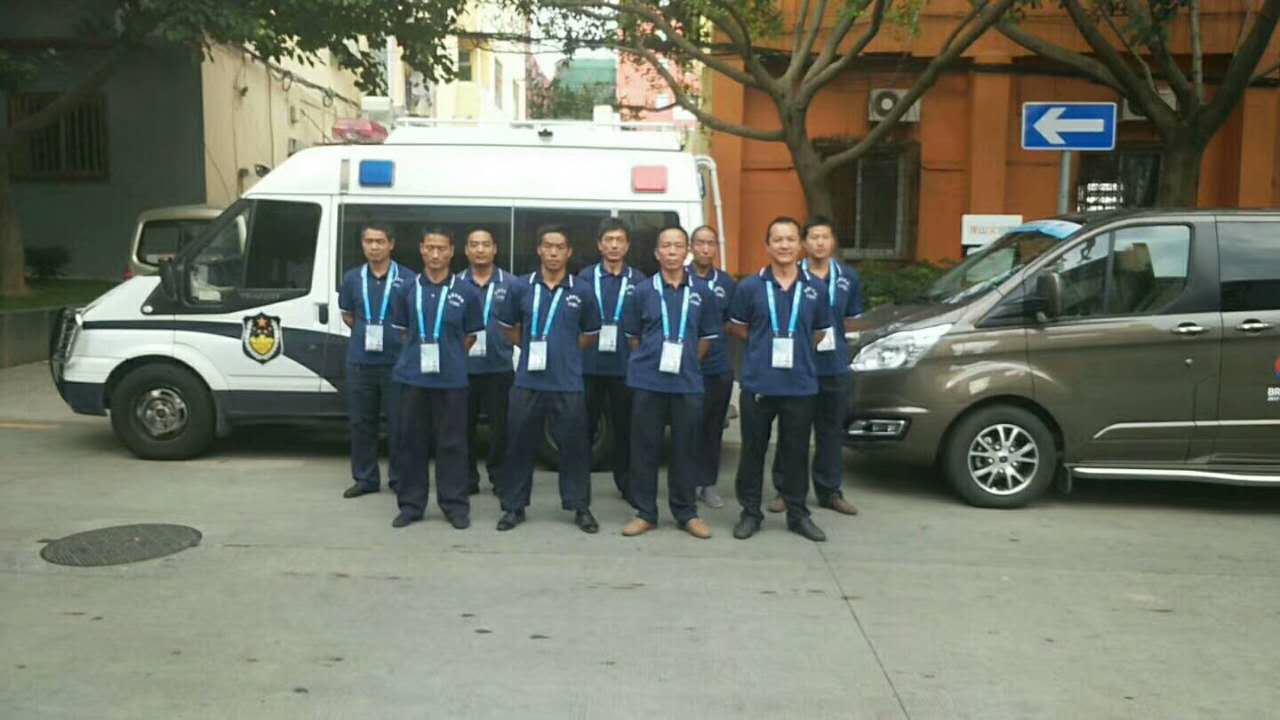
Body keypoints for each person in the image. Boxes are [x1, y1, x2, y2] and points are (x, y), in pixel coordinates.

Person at [726, 216, 833, 543]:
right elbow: (738, 328)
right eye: (777, 240)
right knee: (752, 451)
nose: (784, 245)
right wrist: (764, 347)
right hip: (759, 382)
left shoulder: (815, 288)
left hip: (800, 384)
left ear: (799, 245)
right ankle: (750, 512)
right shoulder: (750, 287)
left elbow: (819, 333)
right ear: (767, 246)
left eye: (790, 239)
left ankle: (798, 514)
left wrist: (795, 348)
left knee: (796, 452)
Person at [496, 225, 603, 534]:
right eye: (548, 246)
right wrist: (530, 346)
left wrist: (565, 350)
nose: (553, 252)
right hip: (528, 381)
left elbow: (591, 333)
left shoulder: (582, 290)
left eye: (559, 247)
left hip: (568, 382)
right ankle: (514, 506)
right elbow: (508, 327)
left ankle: (579, 506)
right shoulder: (521, 286)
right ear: (539, 250)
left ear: (568, 252)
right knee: (519, 445)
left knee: (575, 448)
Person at [620, 226, 719, 539]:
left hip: (687, 382)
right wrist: (651, 360)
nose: (672, 251)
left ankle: (686, 512)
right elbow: (633, 337)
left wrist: (686, 359)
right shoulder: (641, 291)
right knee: (644, 449)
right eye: (666, 246)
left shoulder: (702, 292)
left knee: (685, 450)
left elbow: (706, 338)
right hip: (648, 382)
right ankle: (645, 512)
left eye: (678, 245)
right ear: (656, 252)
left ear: (687, 251)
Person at [388, 227, 484, 529]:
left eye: (441, 248)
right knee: (411, 444)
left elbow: (470, 336)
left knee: (453, 445)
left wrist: (449, 355)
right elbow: (403, 332)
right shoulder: (406, 289)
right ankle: (411, 505)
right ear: (421, 249)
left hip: (452, 381)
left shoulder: (466, 291)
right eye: (430, 247)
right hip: (413, 379)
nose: (435, 254)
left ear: (451, 251)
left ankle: (454, 506)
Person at [769, 216, 864, 516]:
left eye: (825, 237)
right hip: (799, 367)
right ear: (804, 243)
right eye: (813, 237)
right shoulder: (792, 277)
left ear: (833, 241)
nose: (820, 243)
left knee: (830, 432)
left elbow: (851, 320)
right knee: (791, 432)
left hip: (834, 367)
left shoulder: (848, 277)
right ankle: (786, 491)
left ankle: (829, 490)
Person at [337, 224, 410, 499]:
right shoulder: (352, 278)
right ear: (362, 244)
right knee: (361, 423)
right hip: (360, 362)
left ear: (391, 244)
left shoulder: (408, 279)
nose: (374, 246)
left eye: (380, 241)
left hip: (397, 363)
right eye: (368, 241)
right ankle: (365, 478)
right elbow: (349, 316)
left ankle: (400, 478)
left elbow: (412, 320)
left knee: (399, 425)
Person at [578, 217, 644, 502]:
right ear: (599, 245)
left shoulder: (639, 281)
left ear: (627, 245)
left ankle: (627, 484)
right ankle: (579, 491)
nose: (614, 245)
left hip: (625, 368)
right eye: (609, 240)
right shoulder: (584, 278)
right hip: (587, 367)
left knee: (625, 430)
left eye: (619, 240)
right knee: (583, 430)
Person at [460, 228, 515, 496]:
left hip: (499, 367)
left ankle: (501, 477)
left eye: (485, 244)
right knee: (462, 427)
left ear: (495, 249)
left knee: (501, 428)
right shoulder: (455, 283)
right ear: (466, 250)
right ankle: (467, 478)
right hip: (462, 369)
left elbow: (521, 322)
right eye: (474, 245)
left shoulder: (512, 284)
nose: (480, 250)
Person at [687, 225, 737, 508]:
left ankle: (708, 483)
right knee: (687, 426)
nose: (705, 248)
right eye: (700, 243)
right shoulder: (680, 278)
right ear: (691, 247)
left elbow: (734, 321)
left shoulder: (727, 283)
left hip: (717, 367)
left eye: (710, 243)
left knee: (713, 427)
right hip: (686, 367)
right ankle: (688, 482)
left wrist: (713, 334)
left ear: (716, 248)